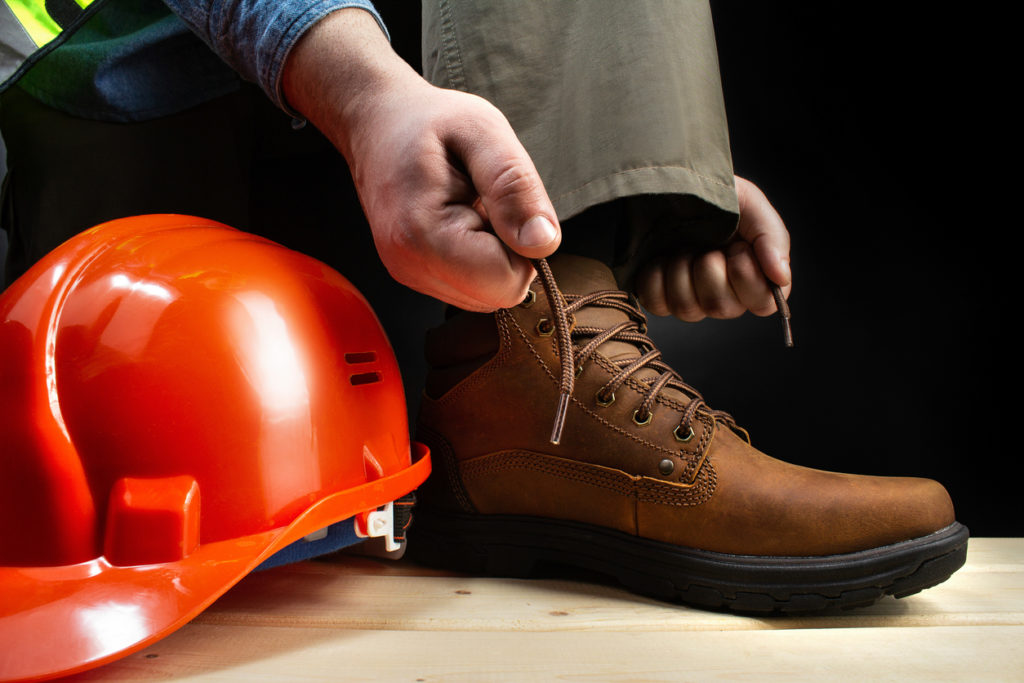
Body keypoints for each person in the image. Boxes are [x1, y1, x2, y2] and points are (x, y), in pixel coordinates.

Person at [0, 0, 966, 611]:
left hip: (376, 221)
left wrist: (650, 180)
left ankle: (540, 381)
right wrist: (363, 92)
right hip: (118, 195)